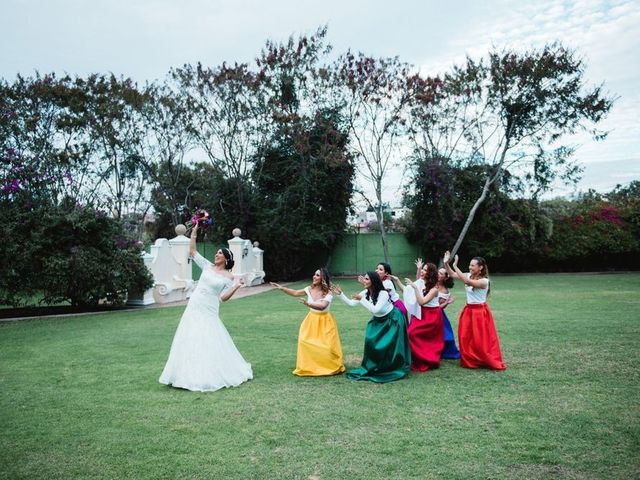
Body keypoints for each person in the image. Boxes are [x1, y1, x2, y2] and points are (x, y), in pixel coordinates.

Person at [159, 223, 253, 392]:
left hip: (210, 308)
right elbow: (193, 252)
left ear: (226, 258)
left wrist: (236, 286)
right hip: (195, 304)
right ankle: (183, 374)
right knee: (189, 335)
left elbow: (223, 298)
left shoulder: (229, 276)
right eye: (216, 252)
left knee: (208, 335)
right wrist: (194, 232)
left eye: (220, 253)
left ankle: (209, 373)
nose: (217, 254)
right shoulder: (207, 266)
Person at [333, 272, 411, 383]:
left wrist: (362, 299)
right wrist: (340, 294)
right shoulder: (365, 292)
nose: (363, 281)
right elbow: (351, 303)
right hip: (378, 320)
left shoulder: (383, 293)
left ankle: (393, 367)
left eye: (366, 279)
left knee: (390, 345)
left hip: (392, 319)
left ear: (373, 281)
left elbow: (376, 309)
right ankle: (375, 366)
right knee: (371, 341)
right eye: (364, 279)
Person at [270, 269, 345, 376]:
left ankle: (328, 366)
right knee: (305, 341)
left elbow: (322, 306)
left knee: (326, 347)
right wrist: (281, 288)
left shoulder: (328, 292)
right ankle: (309, 367)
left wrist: (308, 304)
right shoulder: (309, 289)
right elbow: (295, 292)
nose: (314, 276)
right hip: (311, 321)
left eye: (317, 275)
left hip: (325, 321)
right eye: (314, 274)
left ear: (323, 278)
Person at [443, 251, 506, 370]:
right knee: (465, 336)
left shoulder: (484, 281)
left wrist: (456, 265)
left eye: (473, 265)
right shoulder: (468, 275)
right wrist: (446, 263)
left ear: (480, 267)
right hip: (468, 310)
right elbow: (451, 273)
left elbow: (467, 282)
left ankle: (481, 358)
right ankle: (470, 359)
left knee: (479, 338)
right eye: (470, 265)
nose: (470, 267)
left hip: (479, 312)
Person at [404, 262, 445, 372]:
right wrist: (419, 269)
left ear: (430, 273)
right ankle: (418, 358)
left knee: (415, 334)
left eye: (425, 270)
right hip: (421, 313)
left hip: (431, 315)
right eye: (423, 269)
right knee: (412, 334)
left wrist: (415, 288)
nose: (423, 271)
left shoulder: (434, 289)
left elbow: (422, 301)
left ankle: (428, 359)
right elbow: (419, 280)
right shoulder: (423, 282)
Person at [437, 267, 461, 360]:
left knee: (445, 336)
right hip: (426, 311)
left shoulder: (444, 291)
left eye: (441, 273)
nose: (438, 274)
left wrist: (447, 302)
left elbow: (440, 307)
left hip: (438, 314)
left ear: (446, 277)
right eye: (438, 272)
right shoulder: (431, 283)